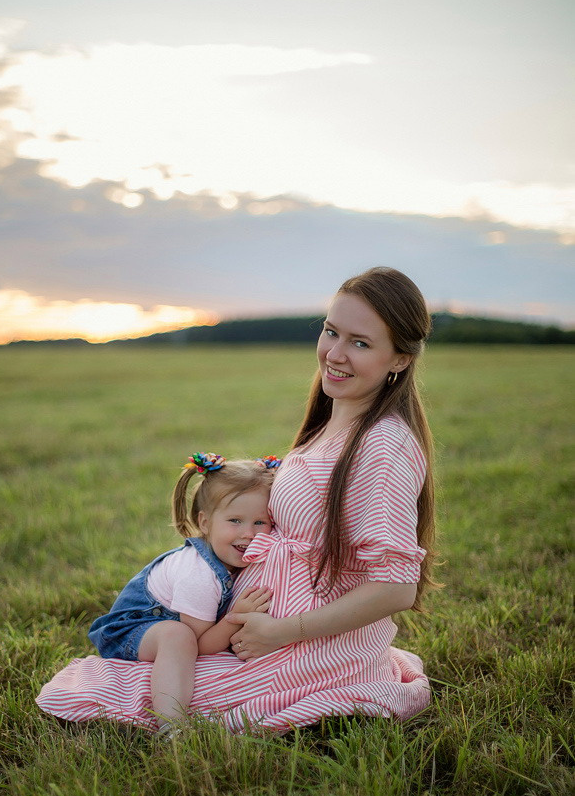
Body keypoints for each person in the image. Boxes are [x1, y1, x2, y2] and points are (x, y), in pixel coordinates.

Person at [37, 267, 434, 733]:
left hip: (305, 647)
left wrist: (286, 631)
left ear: (400, 360)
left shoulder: (384, 446)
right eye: (331, 332)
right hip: (259, 633)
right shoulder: (332, 426)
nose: (336, 354)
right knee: (163, 674)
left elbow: (396, 588)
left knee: (163, 695)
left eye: (360, 343)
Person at [87, 453, 277, 733]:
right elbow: (200, 645)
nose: (248, 533)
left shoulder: (233, 556)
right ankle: (171, 724)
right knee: (178, 637)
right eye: (235, 520)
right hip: (131, 632)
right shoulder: (199, 575)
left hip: (179, 627)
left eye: (260, 522)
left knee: (183, 636)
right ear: (204, 522)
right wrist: (236, 617)